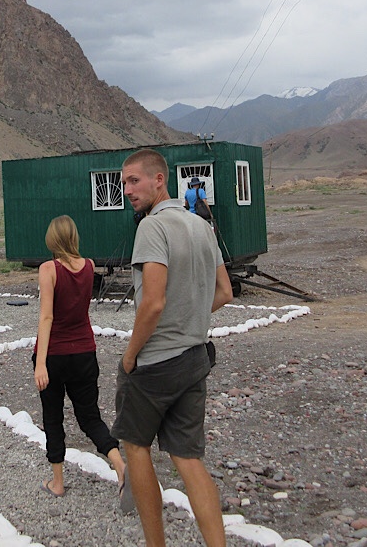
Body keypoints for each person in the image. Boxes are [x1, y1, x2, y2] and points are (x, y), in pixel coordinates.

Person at [112, 149, 233, 547]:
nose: (126, 189)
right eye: (124, 182)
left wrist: (130, 355)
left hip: (155, 363)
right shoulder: (201, 225)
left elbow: (153, 303)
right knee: (188, 460)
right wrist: (191, 315)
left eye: (134, 181)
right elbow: (224, 292)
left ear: (159, 180)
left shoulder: (151, 227)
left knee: (135, 446)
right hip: (195, 357)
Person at [33, 215, 126, 497]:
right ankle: (121, 467)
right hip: (85, 351)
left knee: (53, 418)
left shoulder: (48, 269)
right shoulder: (88, 266)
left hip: (55, 354)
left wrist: (40, 363)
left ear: (53, 239)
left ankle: (58, 483)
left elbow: (47, 316)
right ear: (73, 236)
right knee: (89, 417)